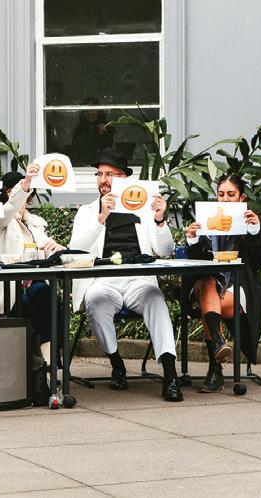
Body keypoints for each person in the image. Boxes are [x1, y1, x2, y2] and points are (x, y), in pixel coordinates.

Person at [68, 148, 183, 402]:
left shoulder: (142, 208)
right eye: (99, 174)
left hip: (138, 280)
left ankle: (170, 373)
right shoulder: (87, 212)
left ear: (124, 178)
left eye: (110, 174)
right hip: (103, 279)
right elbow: (75, 250)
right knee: (95, 300)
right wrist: (101, 218)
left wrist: (160, 220)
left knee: (155, 299)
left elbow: (164, 250)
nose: (103, 180)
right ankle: (116, 362)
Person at [185, 174, 261, 393]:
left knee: (208, 304)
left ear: (241, 198)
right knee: (207, 283)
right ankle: (218, 345)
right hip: (210, 282)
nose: (225, 199)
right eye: (221, 194)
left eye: (231, 194)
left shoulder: (254, 223)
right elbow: (195, 260)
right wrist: (193, 238)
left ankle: (215, 368)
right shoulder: (207, 219)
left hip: (238, 285)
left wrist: (254, 231)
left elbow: (259, 262)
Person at [0, 164, 65, 364]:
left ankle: (47, 364)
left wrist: (57, 248)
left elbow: (52, 254)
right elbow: (10, 208)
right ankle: (36, 363)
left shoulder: (35, 224)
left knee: (46, 295)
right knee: (34, 302)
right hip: (7, 290)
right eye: (12, 192)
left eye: (23, 193)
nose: (18, 197)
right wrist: (25, 183)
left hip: (33, 287)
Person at [71, 97, 115, 166]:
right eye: (87, 110)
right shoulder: (79, 129)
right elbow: (76, 150)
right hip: (83, 166)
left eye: (93, 109)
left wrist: (102, 133)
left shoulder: (107, 127)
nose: (90, 113)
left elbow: (109, 149)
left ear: (99, 111)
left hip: (103, 165)